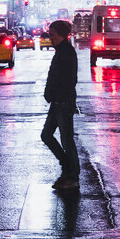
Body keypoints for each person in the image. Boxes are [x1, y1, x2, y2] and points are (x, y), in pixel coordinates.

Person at [40, 20, 80, 191]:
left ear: (61, 35)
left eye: (52, 35)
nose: (50, 38)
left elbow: (69, 80)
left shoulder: (67, 53)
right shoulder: (61, 51)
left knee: (67, 140)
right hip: (57, 102)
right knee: (47, 135)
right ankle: (67, 167)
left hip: (63, 102)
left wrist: (58, 95)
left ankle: (72, 175)